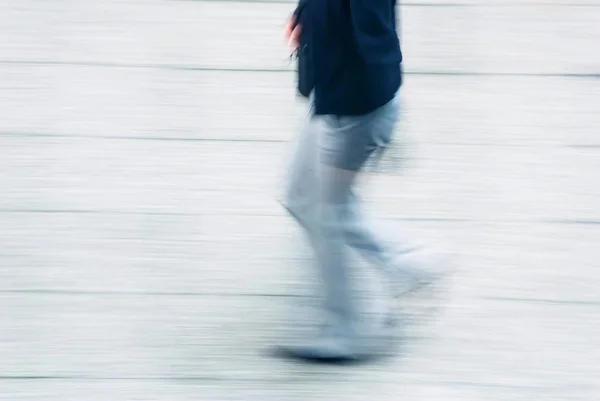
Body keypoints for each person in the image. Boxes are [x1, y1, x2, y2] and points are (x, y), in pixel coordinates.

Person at [277, 0, 442, 363]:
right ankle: (410, 266)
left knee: (327, 212)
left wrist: (372, 119)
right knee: (300, 195)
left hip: (351, 108)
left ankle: (347, 331)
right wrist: (305, 16)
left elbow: (373, 38)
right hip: (332, 93)